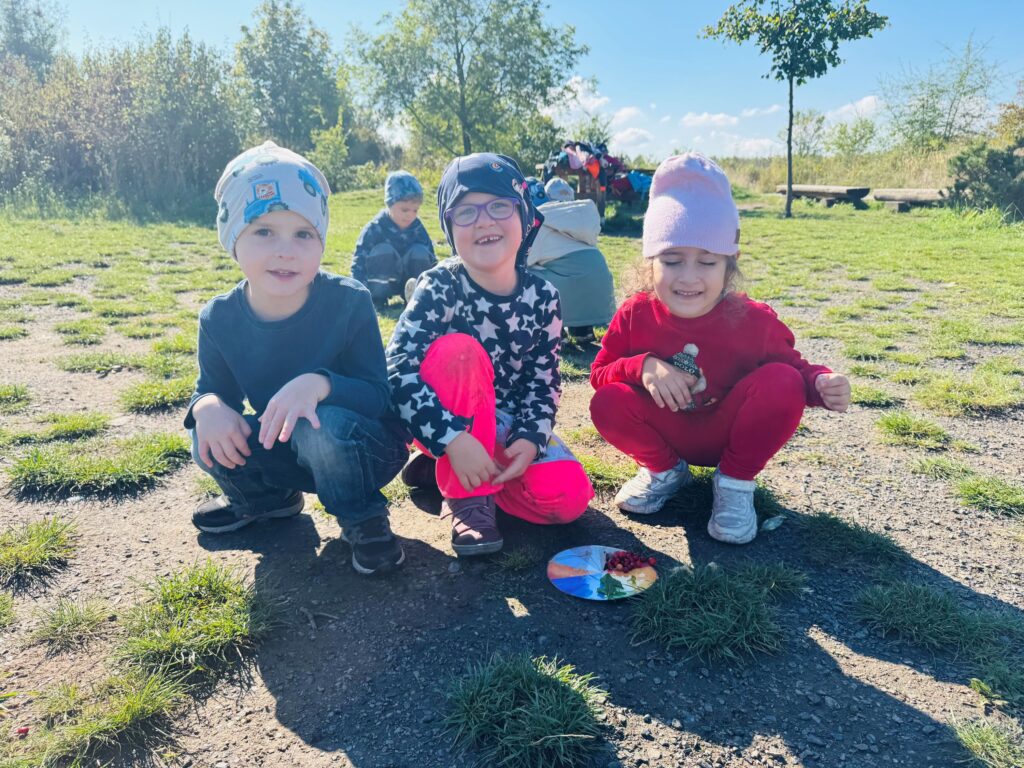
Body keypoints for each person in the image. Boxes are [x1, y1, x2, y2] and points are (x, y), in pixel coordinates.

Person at [589, 153, 850, 545]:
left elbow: (796, 371)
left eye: (707, 262)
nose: (688, 277)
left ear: (730, 265)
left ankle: (734, 484)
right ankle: (665, 472)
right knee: (608, 401)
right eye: (672, 261)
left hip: (727, 435)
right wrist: (643, 366)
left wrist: (820, 384)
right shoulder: (634, 313)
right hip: (668, 431)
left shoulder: (755, 320)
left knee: (782, 381)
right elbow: (599, 375)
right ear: (650, 262)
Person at [186, 141, 408, 575]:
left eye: (303, 234)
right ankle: (266, 502)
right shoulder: (219, 318)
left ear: (321, 241)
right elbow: (212, 390)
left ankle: (363, 517)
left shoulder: (349, 301)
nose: (285, 250)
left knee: (318, 425)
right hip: (284, 445)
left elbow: (378, 396)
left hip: (363, 449)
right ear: (232, 239)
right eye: (264, 232)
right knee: (204, 434)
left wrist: (319, 384)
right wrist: (206, 406)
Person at [386, 153, 594, 557]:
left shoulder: (544, 297)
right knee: (461, 351)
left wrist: (530, 438)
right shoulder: (440, 286)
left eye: (499, 206)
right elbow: (398, 369)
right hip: (446, 420)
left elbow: (543, 381)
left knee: (568, 498)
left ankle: (455, 476)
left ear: (526, 217)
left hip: (505, 426)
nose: (484, 221)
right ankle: (466, 495)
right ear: (450, 229)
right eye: (465, 212)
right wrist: (452, 439)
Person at [527, 177, 616, 342]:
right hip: (601, 294)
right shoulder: (581, 223)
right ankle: (582, 329)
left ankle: (555, 329)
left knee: (523, 274)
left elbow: (525, 260)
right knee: (574, 271)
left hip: (570, 289)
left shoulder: (540, 224)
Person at [351, 170, 436, 306]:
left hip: (407, 280)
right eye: (405, 210)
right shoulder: (376, 227)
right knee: (383, 251)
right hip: (382, 282)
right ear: (389, 204)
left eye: (415, 210)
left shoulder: (417, 228)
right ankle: (377, 299)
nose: (410, 215)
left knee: (420, 252)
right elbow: (359, 261)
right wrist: (360, 293)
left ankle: (417, 296)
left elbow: (432, 261)